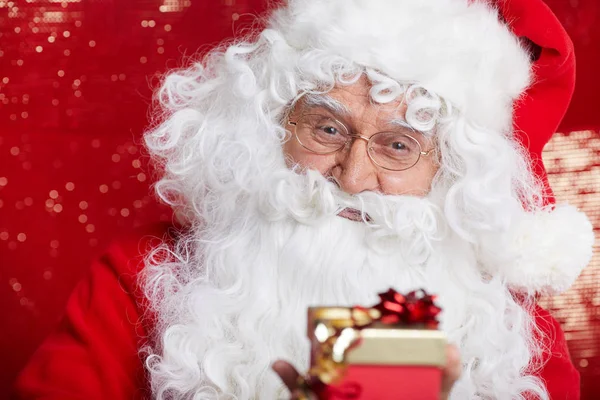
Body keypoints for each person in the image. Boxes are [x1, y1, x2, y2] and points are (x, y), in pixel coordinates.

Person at [14, 0, 595, 399]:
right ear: (268, 125)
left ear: (450, 171)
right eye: (327, 129)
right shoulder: (142, 279)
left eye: (397, 145)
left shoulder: (502, 324)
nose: (352, 175)